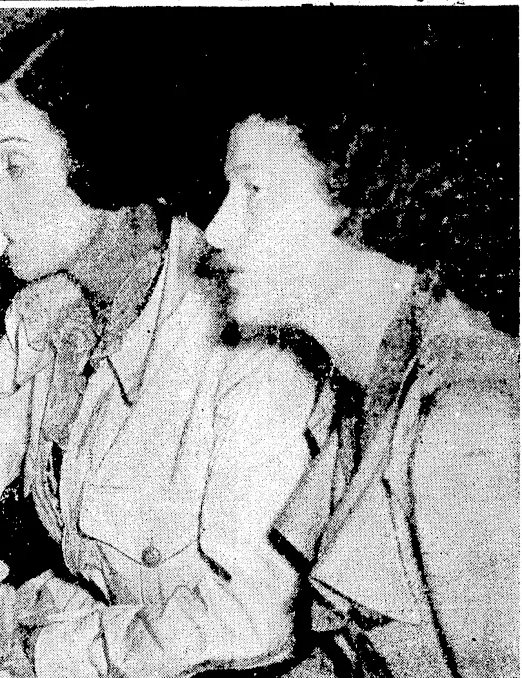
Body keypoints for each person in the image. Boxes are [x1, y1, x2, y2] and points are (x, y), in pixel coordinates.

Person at [0, 15, 323, 677]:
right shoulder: (57, 311)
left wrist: (46, 651)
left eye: (13, 165)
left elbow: (253, 621)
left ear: (106, 159)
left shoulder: (248, 348)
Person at [205, 114, 519, 678]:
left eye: (253, 190)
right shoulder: (364, 386)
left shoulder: (465, 422)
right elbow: (354, 658)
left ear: (362, 200)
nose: (217, 230)